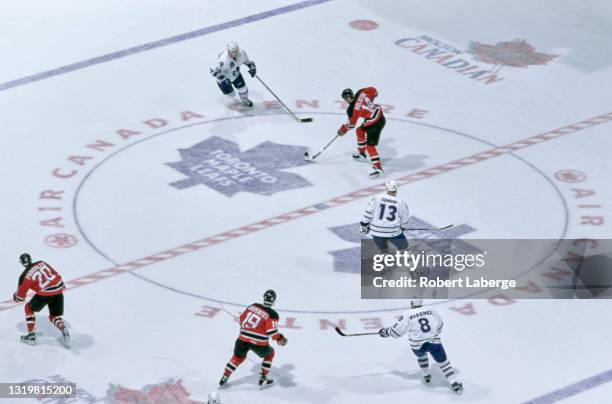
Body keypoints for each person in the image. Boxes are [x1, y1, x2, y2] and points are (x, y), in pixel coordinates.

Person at [379, 298, 464, 395]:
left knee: (421, 356)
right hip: (434, 343)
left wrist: (385, 332)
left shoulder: (407, 314)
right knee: (444, 363)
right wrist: (437, 331)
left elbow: (397, 332)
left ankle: (426, 374)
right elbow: (440, 323)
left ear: (411, 303)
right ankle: (454, 383)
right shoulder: (431, 310)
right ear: (421, 303)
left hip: (417, 345)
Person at [219, 290, 288, 389]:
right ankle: (263, 378)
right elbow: (271, 331)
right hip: (258, 344)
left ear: (264, 297)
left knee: (238, 358)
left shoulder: (253, 306)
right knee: (270, 353)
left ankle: (225, 375)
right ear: (274, 301)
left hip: (242, 340)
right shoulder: (273, 314)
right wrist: (280, 338)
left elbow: (241, 320)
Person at [13, 253, 70, 346]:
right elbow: (55, 273)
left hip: (45, 294)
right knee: (53, 316)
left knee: (28, 308)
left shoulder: (24, 276)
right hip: (59, 290)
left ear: (21, 263)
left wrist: (15, 296)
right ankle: (62, 326)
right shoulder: (41, 263)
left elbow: (20, 298)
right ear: (30, 259)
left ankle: (31, 336)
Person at [337, 86, 386, 178]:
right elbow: (374, 91)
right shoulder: (362, 92)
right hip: (377, 117)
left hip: (375, 123)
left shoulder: (351, 109)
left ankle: (378, 169)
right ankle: (362, 154)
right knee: (359, 131)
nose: (348, 99)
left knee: (370, 146)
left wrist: (342, 130)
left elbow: (351, 125)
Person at [361, 179, 409, 253]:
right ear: (396, 189)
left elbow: (369, 212)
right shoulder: (400, 202)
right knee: (404, 247)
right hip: (393, 231)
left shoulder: (377, 197)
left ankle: (383, 254)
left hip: (376, 231)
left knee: (382, 248)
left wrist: (364, 224)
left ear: (387, 189)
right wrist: (403, 227)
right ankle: (408, 257)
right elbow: (405, 218)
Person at [210, 41, 257, 107]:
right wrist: (223, 79)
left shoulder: (242, 54)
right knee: (231, 95)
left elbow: (248, 62)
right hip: (224, 80)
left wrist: (252, 68)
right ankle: (234, 100)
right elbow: (213, 71)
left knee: (243, 89)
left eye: (236, 51)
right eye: (233, 52)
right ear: (228, 51)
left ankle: (244, 100)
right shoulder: (223, 60)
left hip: (236, 75)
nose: (235, 53)